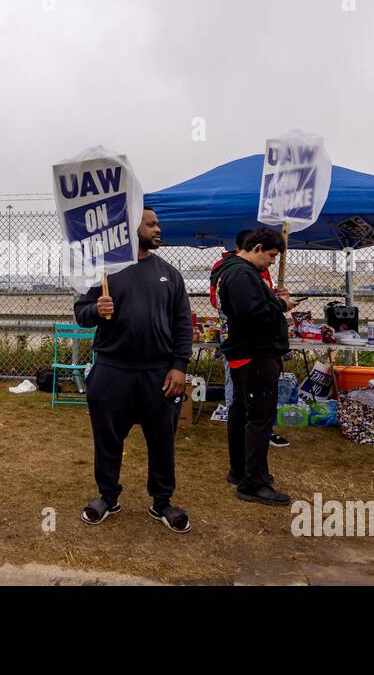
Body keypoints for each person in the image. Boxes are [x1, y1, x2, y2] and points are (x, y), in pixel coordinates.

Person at [74, 208, 193, 533]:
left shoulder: (169, 272)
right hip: (112, 372)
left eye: (157, 223)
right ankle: (107, 496)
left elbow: (184, 323)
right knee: (108, 439)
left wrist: (179, 366)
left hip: (159, 375)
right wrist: (96, 310)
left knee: (162, 442)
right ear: (131, 229)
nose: (158, 228)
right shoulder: (106, 272)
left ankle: (162, 502)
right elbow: (80, 313)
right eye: (151, 224)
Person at [211, 227, 297, 506]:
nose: (272, 262)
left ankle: (240, 470)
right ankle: (253, 482)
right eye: (271, 255)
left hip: (244, 353)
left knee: (241, 413)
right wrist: (281, 305)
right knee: (259, 419)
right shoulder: (242, 274)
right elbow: (253, 314)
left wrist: (273, 299)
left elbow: (251, 307)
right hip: (255, 354)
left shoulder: (230, 271)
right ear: (257, 248)